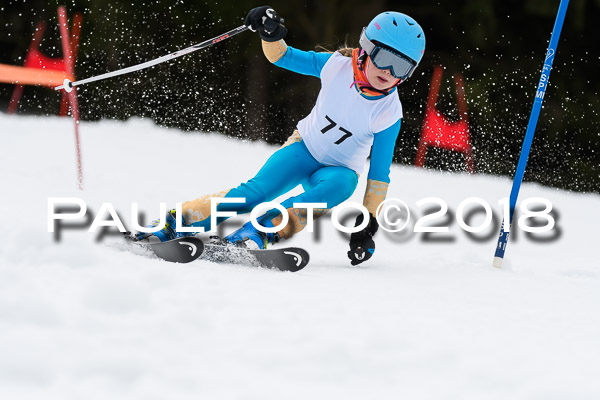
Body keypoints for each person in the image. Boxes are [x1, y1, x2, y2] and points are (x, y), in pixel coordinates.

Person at [134, 6, 426, 266]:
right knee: (253, 194)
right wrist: (270, 33)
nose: (389, 72)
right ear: (365, 49)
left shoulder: (390, 112)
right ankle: (175, 223)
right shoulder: (336, 66)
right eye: (385, 57)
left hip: (338, 170)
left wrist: (367, 224)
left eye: (401, 67)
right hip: (303, 150)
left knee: (344, 184)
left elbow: (378, 176)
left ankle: (257, 232)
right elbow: (281, 56)